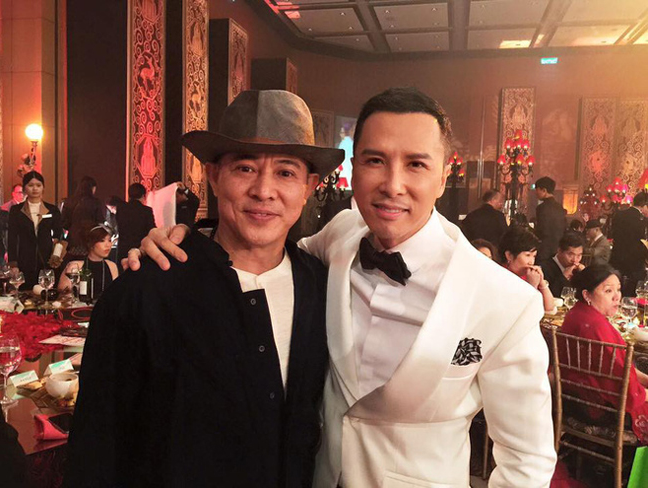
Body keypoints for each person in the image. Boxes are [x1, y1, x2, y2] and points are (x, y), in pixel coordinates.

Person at [133, 87, 557, 487]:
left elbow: (527, 459)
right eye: (375, 160)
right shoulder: (338, 238)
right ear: (354, 169)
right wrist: (184, 238)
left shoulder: (504, 300)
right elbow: (265, 250)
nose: (392, 185)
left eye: (416, 164)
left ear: (444, 176)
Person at [64, 90, 343, 487]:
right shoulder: (145, 291)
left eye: (285, 173)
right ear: (214, 176)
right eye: (245, 168)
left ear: (309, 186)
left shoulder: (322, 287)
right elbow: (96, 447)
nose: (264, 191)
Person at [561, 264, 648, 445]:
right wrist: (644, 393)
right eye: (608, 291)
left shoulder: (576, 313)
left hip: (574, 398)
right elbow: (621, 384)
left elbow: (619, 369)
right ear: (587, 295)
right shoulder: (596, 327)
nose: (617, 296)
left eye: (618, 289)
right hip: (598, 410)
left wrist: (644, 380)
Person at [8, 171, 63, 289]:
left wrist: (56, 255)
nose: (35, 189)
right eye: (31, 185)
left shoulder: (52, 210)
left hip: (47, 258)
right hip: (24, 258)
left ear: (43, 187)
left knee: (46, 292)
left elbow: (59, 235)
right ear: (24, 188)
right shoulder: (16, 210)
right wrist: (13, 263)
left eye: (38, 185)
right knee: (25, 292)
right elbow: (12, 237)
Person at [500, 226, 556, 313]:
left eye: (534, 256)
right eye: (527, 255)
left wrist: (542, 283)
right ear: (509, 255)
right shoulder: (501, 277)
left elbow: (549, 308)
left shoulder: (527, 275)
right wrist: (532, 286)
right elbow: (523, 312)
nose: (531, 262)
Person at [58, 225, 118, 301]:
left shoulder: (112, 266)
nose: (108, 245)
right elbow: (63, 294)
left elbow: (116, 294)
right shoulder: (76, 266)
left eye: (109, 240)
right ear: (91, 244)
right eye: (102, 241)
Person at [610, 191, 648, 296]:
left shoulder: (618, 215)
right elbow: (643, 243)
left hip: (616, 261)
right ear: (644, 206)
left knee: (615, 292)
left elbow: (613, 235)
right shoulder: (643, 221)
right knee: (632, 294)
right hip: (635, 264)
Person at [62, 176, 107, 259]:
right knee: (88, 262)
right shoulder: (95, 202)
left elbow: (64, 223)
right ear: (92, 188)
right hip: (90, 239)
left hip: (73, 240)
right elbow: (100, 221)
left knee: (74, 263)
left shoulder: (69, 201)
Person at [115, 183, 156, 264]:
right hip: (140, 249)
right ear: (143, 196)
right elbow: (152, 230)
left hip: (123, 249)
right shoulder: (146, 211)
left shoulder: (121, 209)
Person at [540, 231, 585, 297]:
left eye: (579, 255)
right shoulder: (544, 268)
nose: (575, 260)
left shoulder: (578, 270)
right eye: (570, 255)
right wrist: (564, 277)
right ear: (559, 251)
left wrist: (585, 275)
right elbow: (549, 295)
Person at [535, 176, 567, 263]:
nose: (536, 193)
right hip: (558, 248)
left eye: (537, 190)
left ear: (544, 190)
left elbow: (541, 229)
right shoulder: (560, 207)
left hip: (544, 248)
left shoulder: (541, 208)